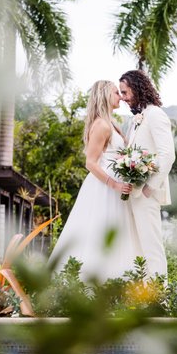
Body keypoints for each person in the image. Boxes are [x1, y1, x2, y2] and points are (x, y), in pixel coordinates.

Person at [49, 80, 140, 282]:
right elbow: (90, 162)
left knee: (118, 235)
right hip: (105, 188)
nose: (120, 97)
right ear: (105, 96)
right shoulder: (101, 125)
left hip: (117, 185)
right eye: (116, 93)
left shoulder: (112, 123)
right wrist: (114, 184)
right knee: (98, 231)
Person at [118, 69, 175, 279]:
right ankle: (145, 292)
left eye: (125, 92)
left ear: (137, 88)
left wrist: (149, 188)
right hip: (134, 193)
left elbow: (167, 155)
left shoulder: (155, 115)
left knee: (152, 247)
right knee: (139, 249)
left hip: (146, 194)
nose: (123, 98)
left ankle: (161, 294)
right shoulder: (136, 119)